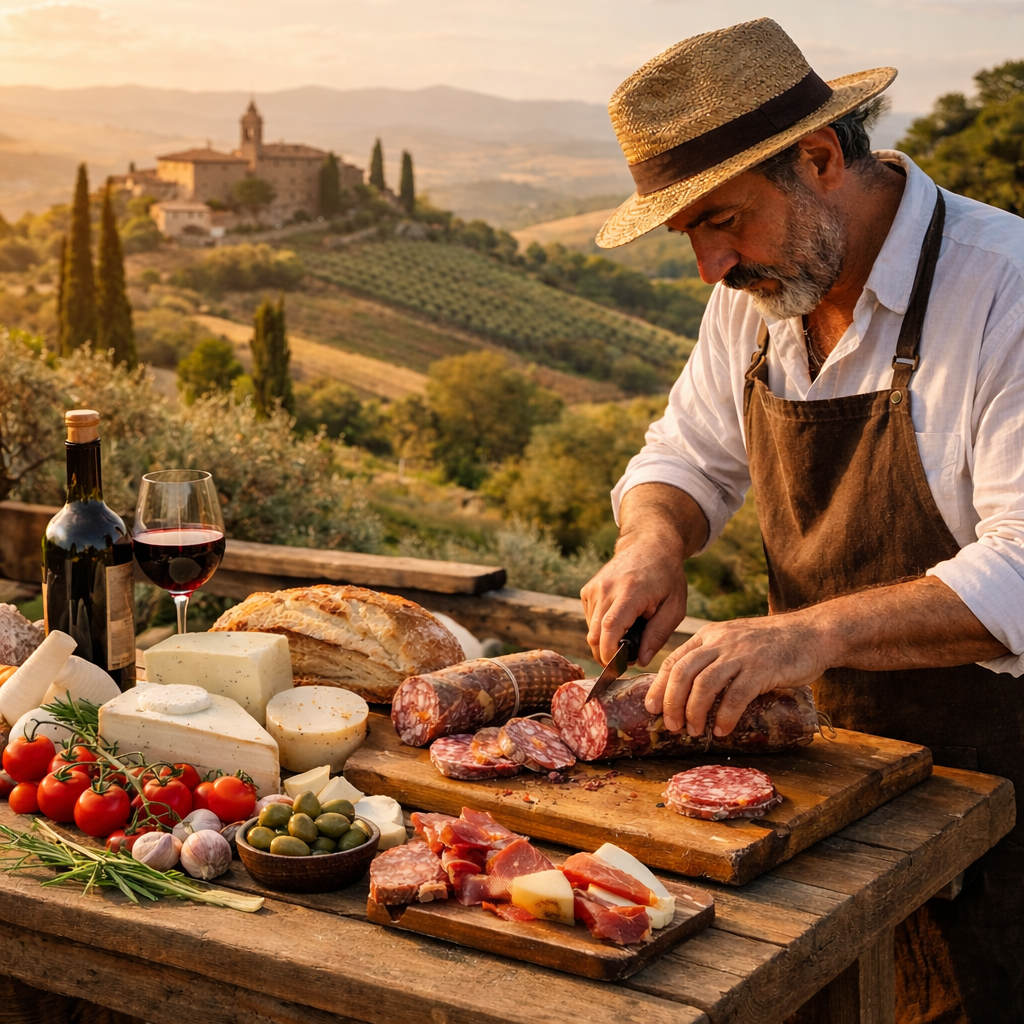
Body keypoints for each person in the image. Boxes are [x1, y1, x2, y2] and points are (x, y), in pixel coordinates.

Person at [581, 18, 1023, 1024]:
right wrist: (652, 540)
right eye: (687, 233)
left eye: (722, 221)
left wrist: (806, 633)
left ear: (820, 158)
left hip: (1003, 790)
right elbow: (684, 458)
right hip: (833, 788)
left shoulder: (1005, 289)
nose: (709, 265)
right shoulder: (761, 293)